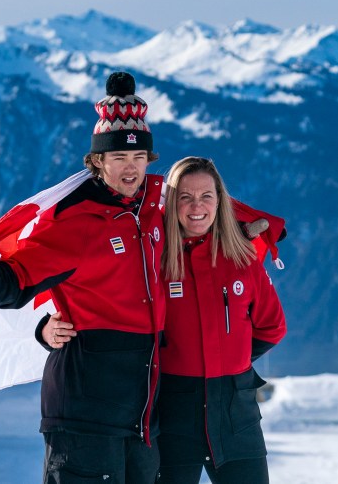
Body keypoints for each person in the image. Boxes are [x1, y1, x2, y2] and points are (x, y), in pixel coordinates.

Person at [0, 71, 166, 484]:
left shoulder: (154, 206)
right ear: (97, 161)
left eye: (139, 158)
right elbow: (16, 282)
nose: (131, 169)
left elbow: (205, 206)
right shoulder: (75, 222)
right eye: (119, 158)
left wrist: (256, 227)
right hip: (86, 414)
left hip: (142, 414)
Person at [45, 156, 287, 483]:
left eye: (206, 196)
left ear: (220, 201)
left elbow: (272, 326)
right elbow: (98, 300)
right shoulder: (149, 257)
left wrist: (230, 359)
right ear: (171, 203)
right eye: (185, 197)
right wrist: (44, 328)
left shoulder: (241, 258)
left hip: (236, 415)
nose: (196, 206)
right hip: (171, 417)